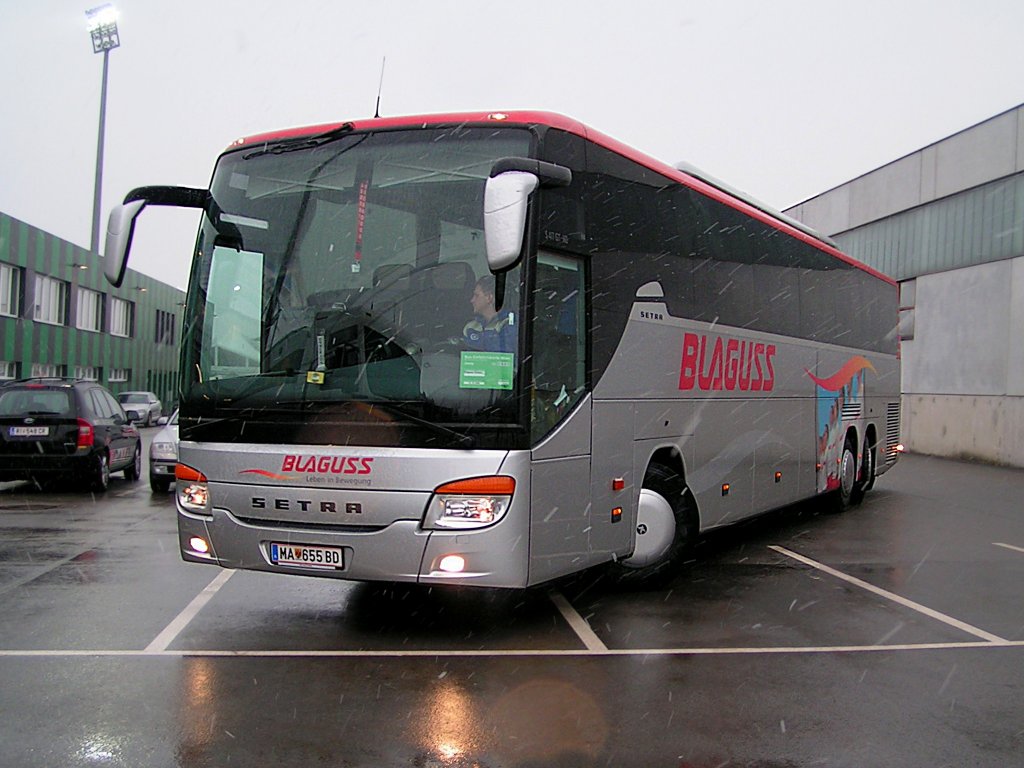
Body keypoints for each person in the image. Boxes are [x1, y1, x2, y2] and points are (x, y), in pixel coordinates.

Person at [462, 275, 516, 353]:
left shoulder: (510, 325)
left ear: (489, 298)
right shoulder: (470, 327)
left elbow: (511, 360)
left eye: (476, 295)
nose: (472, 300)